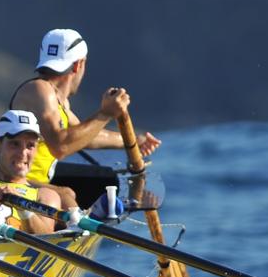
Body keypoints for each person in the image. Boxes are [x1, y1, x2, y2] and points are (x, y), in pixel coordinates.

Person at [8, 28, 160, 187]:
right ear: (78, 65)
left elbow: (85, 136)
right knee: (69, 195)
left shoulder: (59, 100)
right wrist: (106, 113)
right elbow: (60, 147)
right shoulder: (39, 90)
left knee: (106, 179)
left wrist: (133, 140)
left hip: (35, 181)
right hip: (13, 182)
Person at [0, 111, 66, 234]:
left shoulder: (45, 196)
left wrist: (21, 207)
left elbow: (44, 239)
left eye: (30, 145)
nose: (23, 153)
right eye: (15, 144)